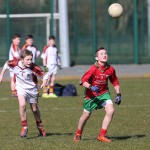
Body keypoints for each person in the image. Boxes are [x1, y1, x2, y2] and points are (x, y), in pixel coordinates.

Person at [73, 47, 121, 143]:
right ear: (97, 58)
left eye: (105, 53)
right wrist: (91, 87)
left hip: (104, 94)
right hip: (91, 95)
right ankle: (78, 133)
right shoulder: (93, 68)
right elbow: (82, 81)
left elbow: (115, 82)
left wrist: (119, 94)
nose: (104, 55)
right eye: (101, 53)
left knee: (111, 110)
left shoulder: (110, 69)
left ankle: (101, 135)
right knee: (86, 115)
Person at [0, 49, 48, 138]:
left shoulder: (34, 67)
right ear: (22, 59)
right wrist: (1, 75)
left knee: (34, 109)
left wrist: (44, 82)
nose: (30, 61)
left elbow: (45, 74)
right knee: (22, 105)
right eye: (28, 59)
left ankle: (40, 126)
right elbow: (6, 64)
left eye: (31, 59)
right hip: (20, 88)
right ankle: (24, 127)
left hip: (32, 89)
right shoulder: (14, 63)